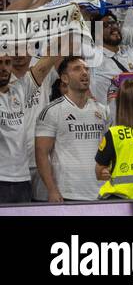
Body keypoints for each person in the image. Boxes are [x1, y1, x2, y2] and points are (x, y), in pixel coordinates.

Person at [34, 57, 110, 203]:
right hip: (68, 193)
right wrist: (52, 190)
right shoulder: (52, 111)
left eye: (86, 69)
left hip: (101, 192)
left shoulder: (102, 110)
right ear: (64, 78)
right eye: (77, 69)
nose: (84, 73)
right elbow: (41, 153)